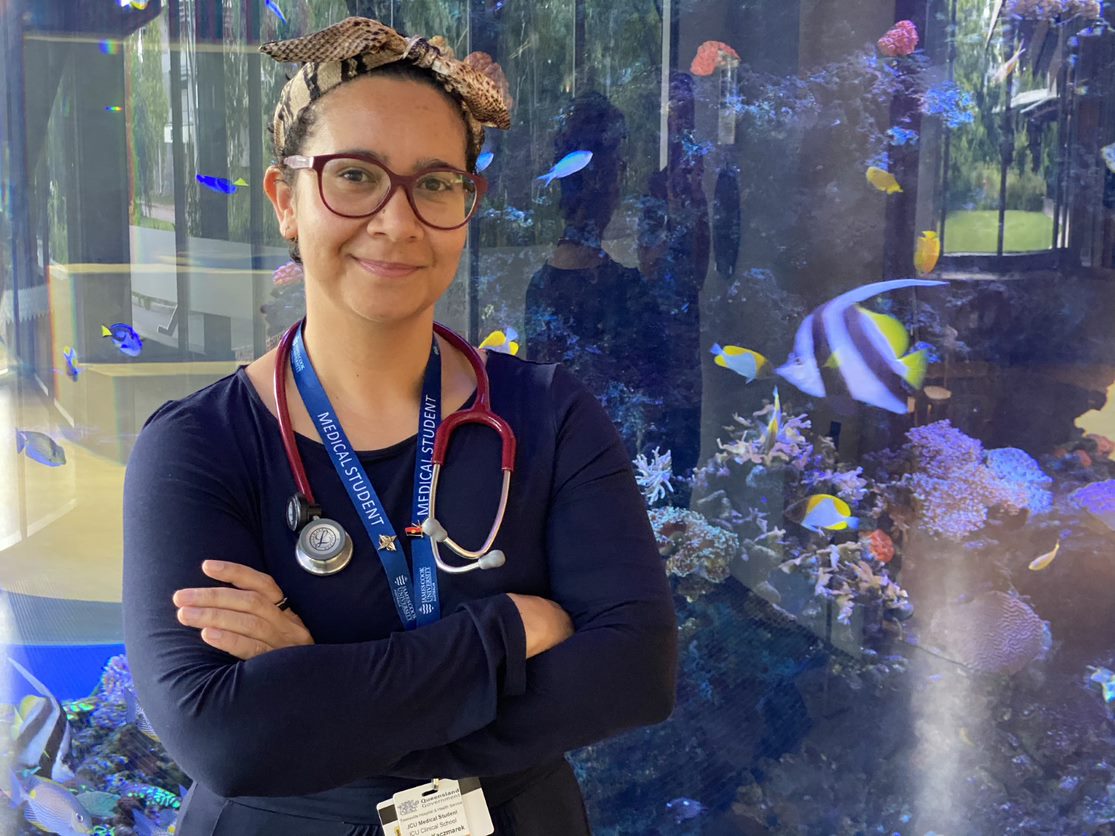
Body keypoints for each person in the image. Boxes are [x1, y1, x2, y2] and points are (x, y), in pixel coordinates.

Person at [121, 16, 677, 836]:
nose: (397, 220)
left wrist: (313, 691)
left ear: (467, 202)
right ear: (285, 200)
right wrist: (507, 631)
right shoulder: (197, 446)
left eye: (435, 183)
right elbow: (224, 737)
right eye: (354, 176)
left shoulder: (550, 415)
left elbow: (633, 672)